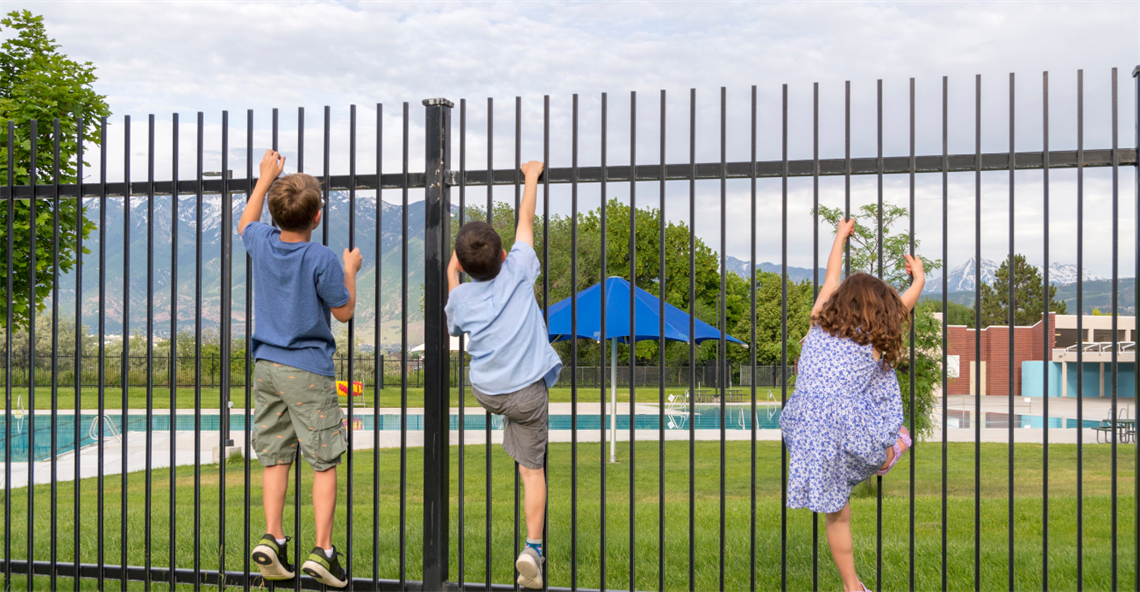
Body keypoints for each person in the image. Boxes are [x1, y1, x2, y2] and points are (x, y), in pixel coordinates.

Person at [238, 149, 362, 588]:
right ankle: (323, 552)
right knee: (323, 461)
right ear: (318, 216)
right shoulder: (323, 258)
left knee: (274, 457)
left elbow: (244, 223)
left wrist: (264, 176)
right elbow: (343, 312)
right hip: (308, 369)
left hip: (266, 366)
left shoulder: (263, 242)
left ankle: (273, 539)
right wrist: (350, 270)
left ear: (274, 214)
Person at [779, 218, 921, 592]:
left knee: (837, 514)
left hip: (803, 424)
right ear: (878, 311)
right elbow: (901, 310)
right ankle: (892, 449)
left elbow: (829, 279)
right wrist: (918, 281)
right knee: (884, 396)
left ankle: (851, 586)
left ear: (840, 300)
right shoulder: (870, 339)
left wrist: (840, 237)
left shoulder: (817, 324)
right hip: (842, 424)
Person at [445, 160, 562, 590]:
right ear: (503, 255)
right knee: (533, 470)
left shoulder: (461, 299)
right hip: (527, 390)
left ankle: (512, 438)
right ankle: (533, 548)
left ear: (462, 261)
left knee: (517, 440)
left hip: (489, 391)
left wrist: (450, 274)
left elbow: (453, 323)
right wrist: (531, 178)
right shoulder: (518, 269)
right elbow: (526, 222)